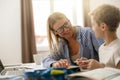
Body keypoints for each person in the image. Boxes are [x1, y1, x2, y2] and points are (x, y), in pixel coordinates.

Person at [78, 4, 120, 70]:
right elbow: (104, 71)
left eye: (93, 24)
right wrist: (91, 65)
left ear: (103, 27)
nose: (92, 28)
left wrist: (101, 67)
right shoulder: (101, 48)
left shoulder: (118, 49)